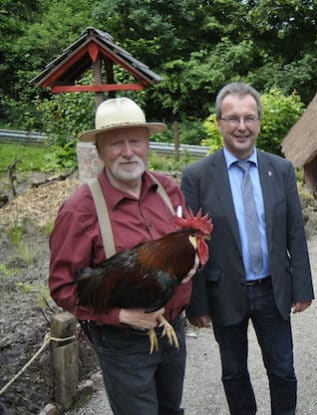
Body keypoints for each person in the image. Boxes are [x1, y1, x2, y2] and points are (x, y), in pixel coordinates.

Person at [49, 97, 192, 414]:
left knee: (171, 409)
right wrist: (120, 316)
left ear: (147, 144)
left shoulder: (169, 191)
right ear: (99, 150)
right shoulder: (79, 210)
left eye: (136, 141)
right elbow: (62, 287)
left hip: (173, 330)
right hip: (124, 341)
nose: (129, 152)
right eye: (116, 144)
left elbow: (190, 245)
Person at [180, 82, 314, 415]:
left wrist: (302, 286)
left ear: (259, 122)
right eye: (233, 118)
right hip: (223, 291)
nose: (242, 126)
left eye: (249, 118)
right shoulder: (197, 176)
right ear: (219, 123)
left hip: (272, 288)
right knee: (234, 373)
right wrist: (196, 303)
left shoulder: (280, 169)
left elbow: (294, 232)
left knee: (283, 370)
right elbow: (190, 244)